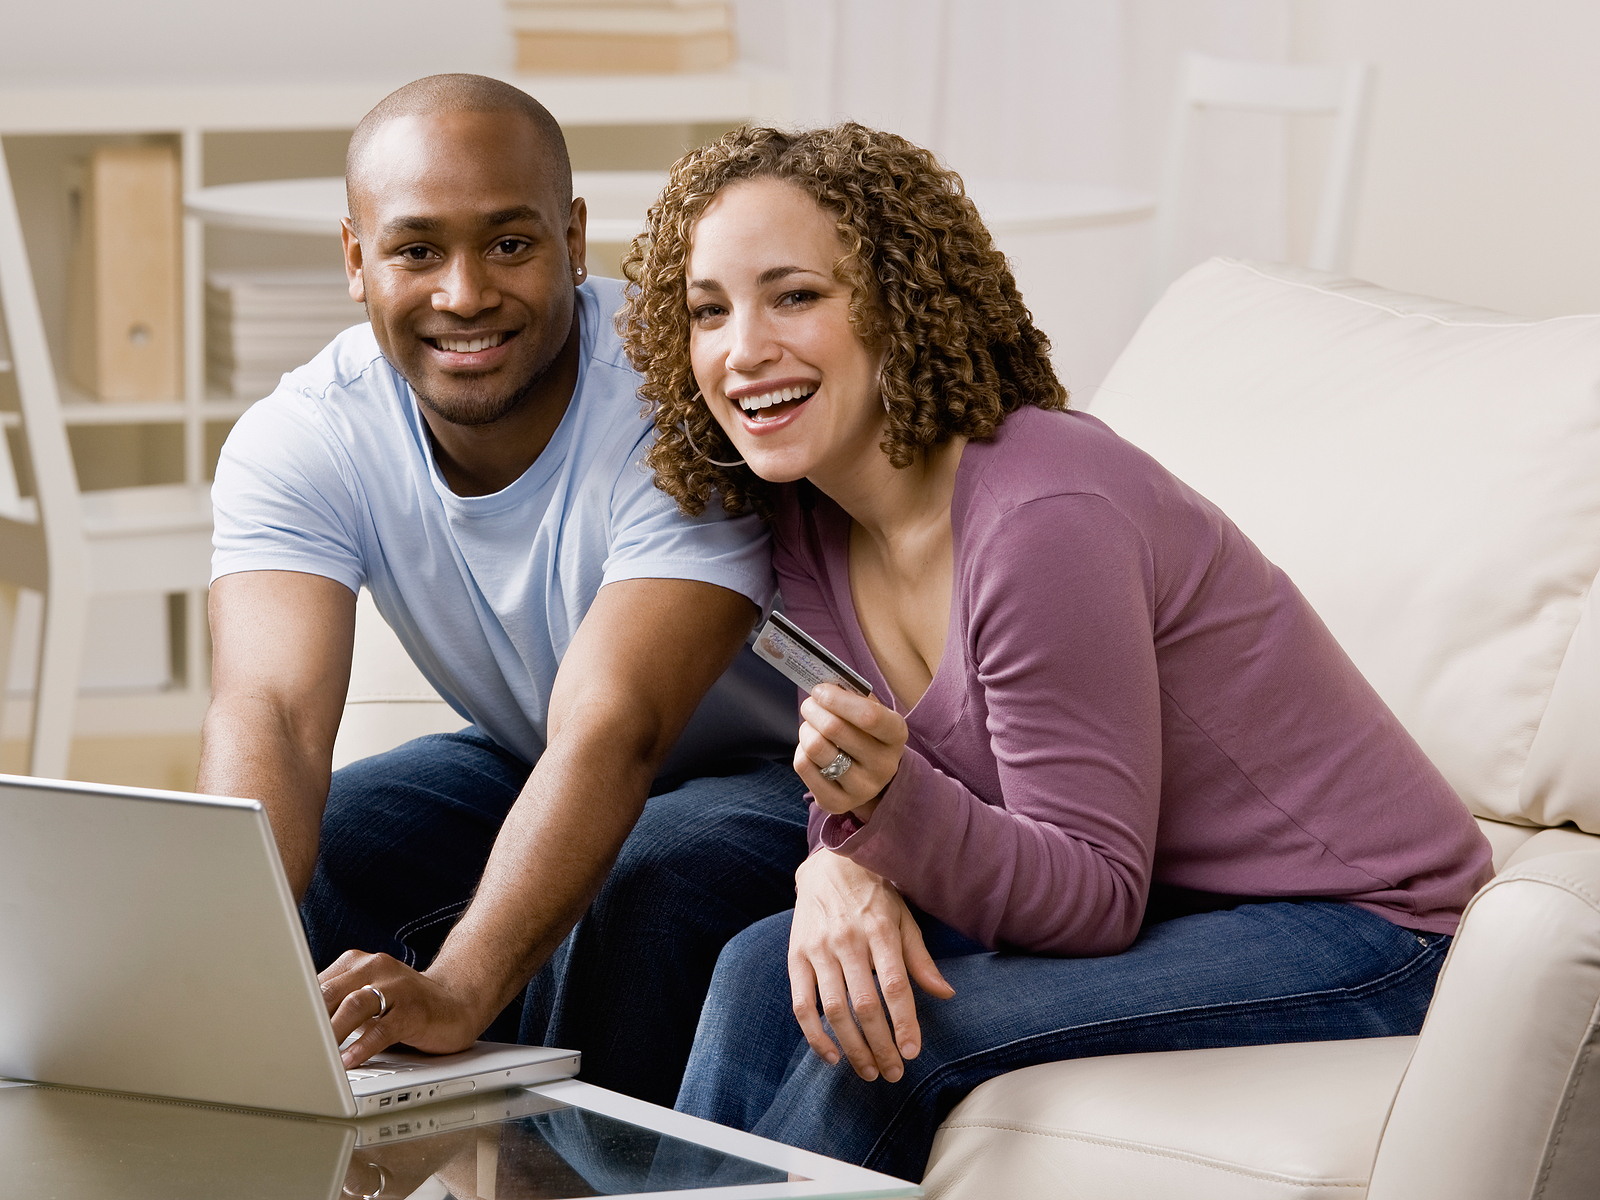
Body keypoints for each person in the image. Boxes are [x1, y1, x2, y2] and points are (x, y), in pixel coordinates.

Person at [616, 122, 1495, 1180]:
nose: (741, 348)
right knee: (769, 967)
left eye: (795, 295)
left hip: (1367, 931)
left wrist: (877, 819)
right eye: (709, 310)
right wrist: (832, 872)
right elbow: (847, 772)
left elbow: (1088, 896)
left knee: (888, 1038)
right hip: (1178, 900)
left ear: (899, 302)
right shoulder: (803, 522)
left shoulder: (1044, 514)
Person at [198, 75, 812, 1108]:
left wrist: (460, 989)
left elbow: (617, 725)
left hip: (800, 773)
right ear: (356, 259)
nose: (465, 293)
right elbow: (275, 717)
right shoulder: (305, 434)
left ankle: (563, 1174)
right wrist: (205, 967)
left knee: (645, 872)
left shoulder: (678, 391)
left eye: (510, 244)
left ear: (574, 240)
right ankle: (337, 1142)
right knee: (346, 836)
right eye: (417, 250)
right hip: (541, 746)